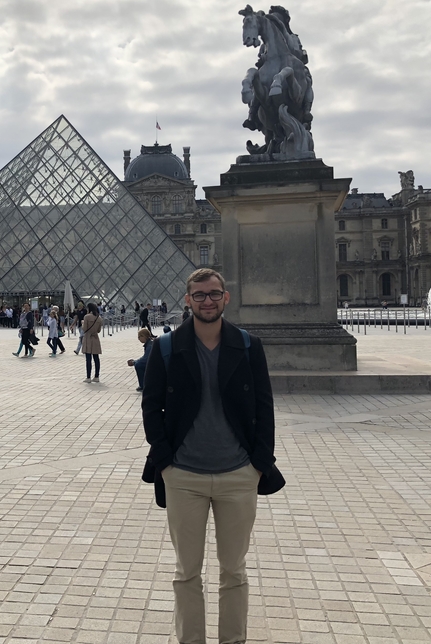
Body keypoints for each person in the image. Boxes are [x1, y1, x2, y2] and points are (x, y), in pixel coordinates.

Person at [141, 268, 276, 644]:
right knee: (187, 572)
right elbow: (151, 408)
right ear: (188, 300)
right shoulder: (166, 348)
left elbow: (264, 406)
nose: (207, 301)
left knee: (234, 570)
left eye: (214, 293)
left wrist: (259, 464)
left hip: (239, 475)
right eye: (199, 295)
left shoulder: (248, 346)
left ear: (225, 297)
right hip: (183, 476)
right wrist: (165, 462)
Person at [82, 303, 103, 382]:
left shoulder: (86, 317)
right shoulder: (99, 318)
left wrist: (83, 323)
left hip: (88, 338)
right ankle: (96, 376)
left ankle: (88, 377)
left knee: (88, 359)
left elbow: (84, 329)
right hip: (95, 338)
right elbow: (99, 330)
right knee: (96, 358)